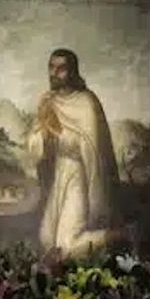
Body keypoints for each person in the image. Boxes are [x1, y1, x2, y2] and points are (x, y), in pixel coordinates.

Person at [30, 48, 122, 255]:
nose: (54, 73)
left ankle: (119, 235)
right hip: (58, 173)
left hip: (80, 174)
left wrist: (55, 132)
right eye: (51, 67)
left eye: (61, 68)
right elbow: (34, 144)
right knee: (46, 238)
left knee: (66, 246)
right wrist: (43, 132)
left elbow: (91, 147)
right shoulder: (48, 102)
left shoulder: (86, 102)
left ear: (72, 71)